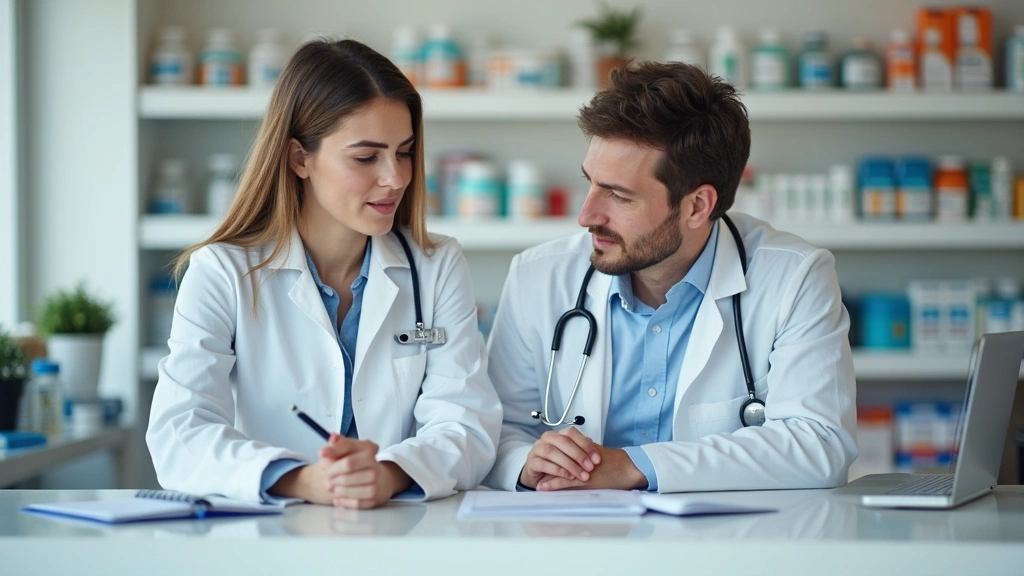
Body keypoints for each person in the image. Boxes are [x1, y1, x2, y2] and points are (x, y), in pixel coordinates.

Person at [147, 39, 501, 508]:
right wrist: (303, 479)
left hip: (402, 531)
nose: (395, 177)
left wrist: (389, 473)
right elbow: (179, 432)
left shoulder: (435, 266)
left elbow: (467, 424)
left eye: (405, 151)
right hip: (274, 533)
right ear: (299, 159)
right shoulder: (223, 271)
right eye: (365, 157)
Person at [483, 62, 857, 493]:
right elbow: (495, 430)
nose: (586, 216)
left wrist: (633, 466)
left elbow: (819, 444)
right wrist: (526, 462)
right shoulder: (539, 276)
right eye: (590, 183)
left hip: (726, 549)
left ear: (697, 206)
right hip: (579, 544)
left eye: (619, 195)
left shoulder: (795, 277)